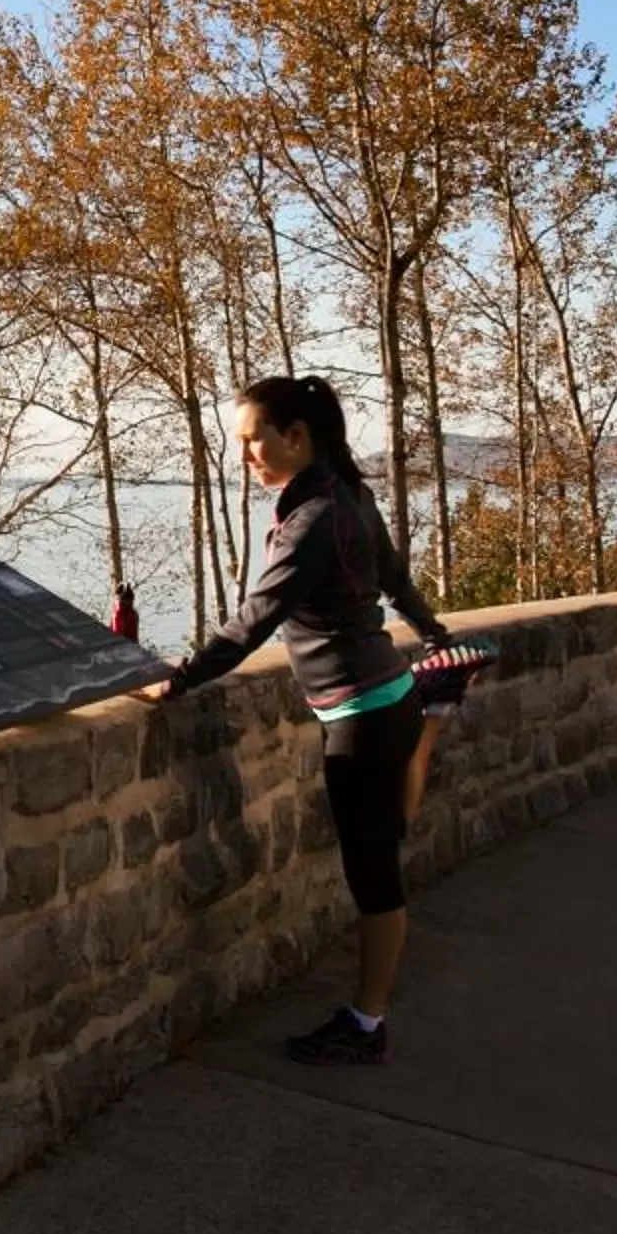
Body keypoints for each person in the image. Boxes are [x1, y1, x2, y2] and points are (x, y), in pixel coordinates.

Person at [135, 375, 445, 1067]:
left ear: (296, 436)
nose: (245, 455)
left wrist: (179, 678)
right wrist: (432, 629)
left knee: (373, 876)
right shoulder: (348, 497)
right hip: (392, 695)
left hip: (361, 713)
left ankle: (367, 1024)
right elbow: (394, 577)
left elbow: (255, 619)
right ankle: (433, 723)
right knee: (385, 843)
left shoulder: (314, 520)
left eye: (253, 440)